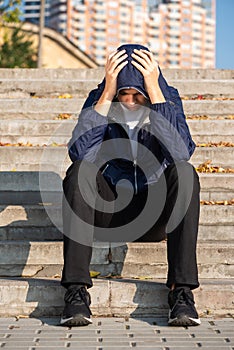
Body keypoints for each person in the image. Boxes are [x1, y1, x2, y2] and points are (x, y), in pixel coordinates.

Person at [60, 43, 201, 327]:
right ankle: (76, 291)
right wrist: (107, 92)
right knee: (78, 172)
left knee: (185, 173)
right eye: (124, 93)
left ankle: (181, 292)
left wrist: (156, 92)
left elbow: (180, 153)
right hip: (107, 213)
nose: (130, 100)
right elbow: (80, 154)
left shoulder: (167, 99)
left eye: (137, 93)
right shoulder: (100, 100)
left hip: (156, 215)